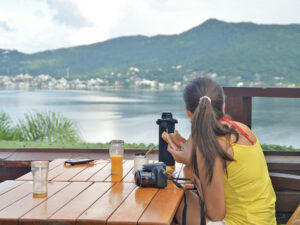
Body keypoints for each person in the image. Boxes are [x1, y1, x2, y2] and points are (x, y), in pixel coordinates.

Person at [167, 77, 276, 225]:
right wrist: (192, 158)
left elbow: (215, 214)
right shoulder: (242, 129)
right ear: (223, 106)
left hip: (236, 222)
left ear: (188, 112)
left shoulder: (209, 146)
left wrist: (193, 162)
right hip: (266, 221)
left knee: (173, 195)